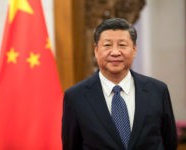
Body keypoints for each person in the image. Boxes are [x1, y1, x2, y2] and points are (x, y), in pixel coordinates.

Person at [62, 18, 177, 150]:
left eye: (122, 45)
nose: (115, 52)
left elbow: (170, 141)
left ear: (134, 49)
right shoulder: (76, 97)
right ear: (96, 50)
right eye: (107, 45)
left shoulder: (157, 91)